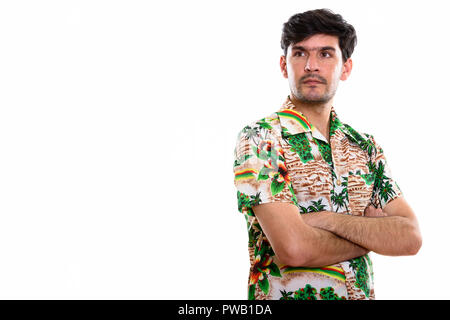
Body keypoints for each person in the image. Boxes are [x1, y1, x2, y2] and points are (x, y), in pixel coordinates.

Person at [232, 8, 422, 300]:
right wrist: (371, 235)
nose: (311, 65)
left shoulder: (365, 147)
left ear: (345, 68)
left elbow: (410, 238)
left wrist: (327, 220)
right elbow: (294, 248)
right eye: (300, 54)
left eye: (325, 54)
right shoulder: (262, 139)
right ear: (284, 65)